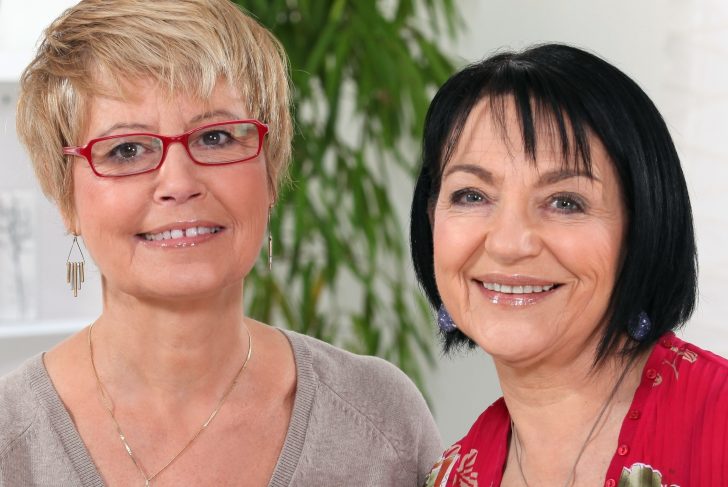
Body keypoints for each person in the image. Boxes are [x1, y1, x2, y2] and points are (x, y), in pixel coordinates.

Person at [0, 1, 441, 485]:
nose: (179, 183)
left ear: (271, 173)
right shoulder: (9, 439)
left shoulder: (379, 420)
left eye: (215, 138)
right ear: (66, 198)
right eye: (127, 149)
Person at [411, 44, 728, 486]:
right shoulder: (452, 476)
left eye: (565, 202)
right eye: (472, 195)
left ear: (642, 227)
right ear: (432, 219)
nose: (508, 243)